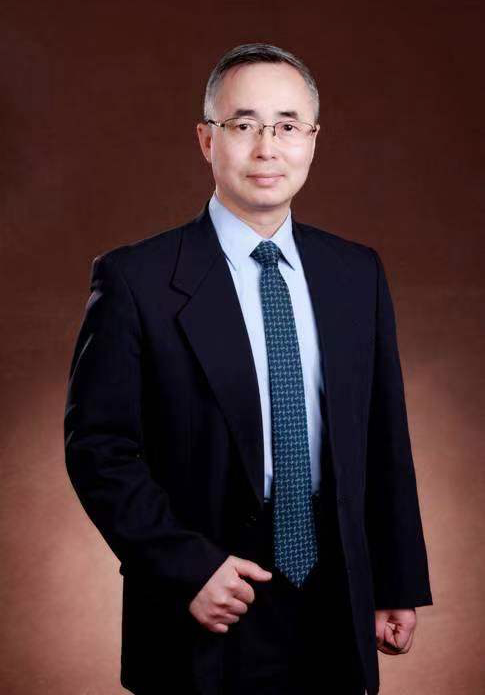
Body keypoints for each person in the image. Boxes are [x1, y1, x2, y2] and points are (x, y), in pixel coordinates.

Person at [64, 43, 433, 695]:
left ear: (312, 140)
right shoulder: (136, 279)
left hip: (334, 586)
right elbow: (99, 449)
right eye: (244, 124)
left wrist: (394, 580)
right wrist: (186, 568)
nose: (267, 148)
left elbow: (383, 437)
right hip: (207, 592)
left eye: (287, 126)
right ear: (207, 140)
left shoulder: (355, 273)